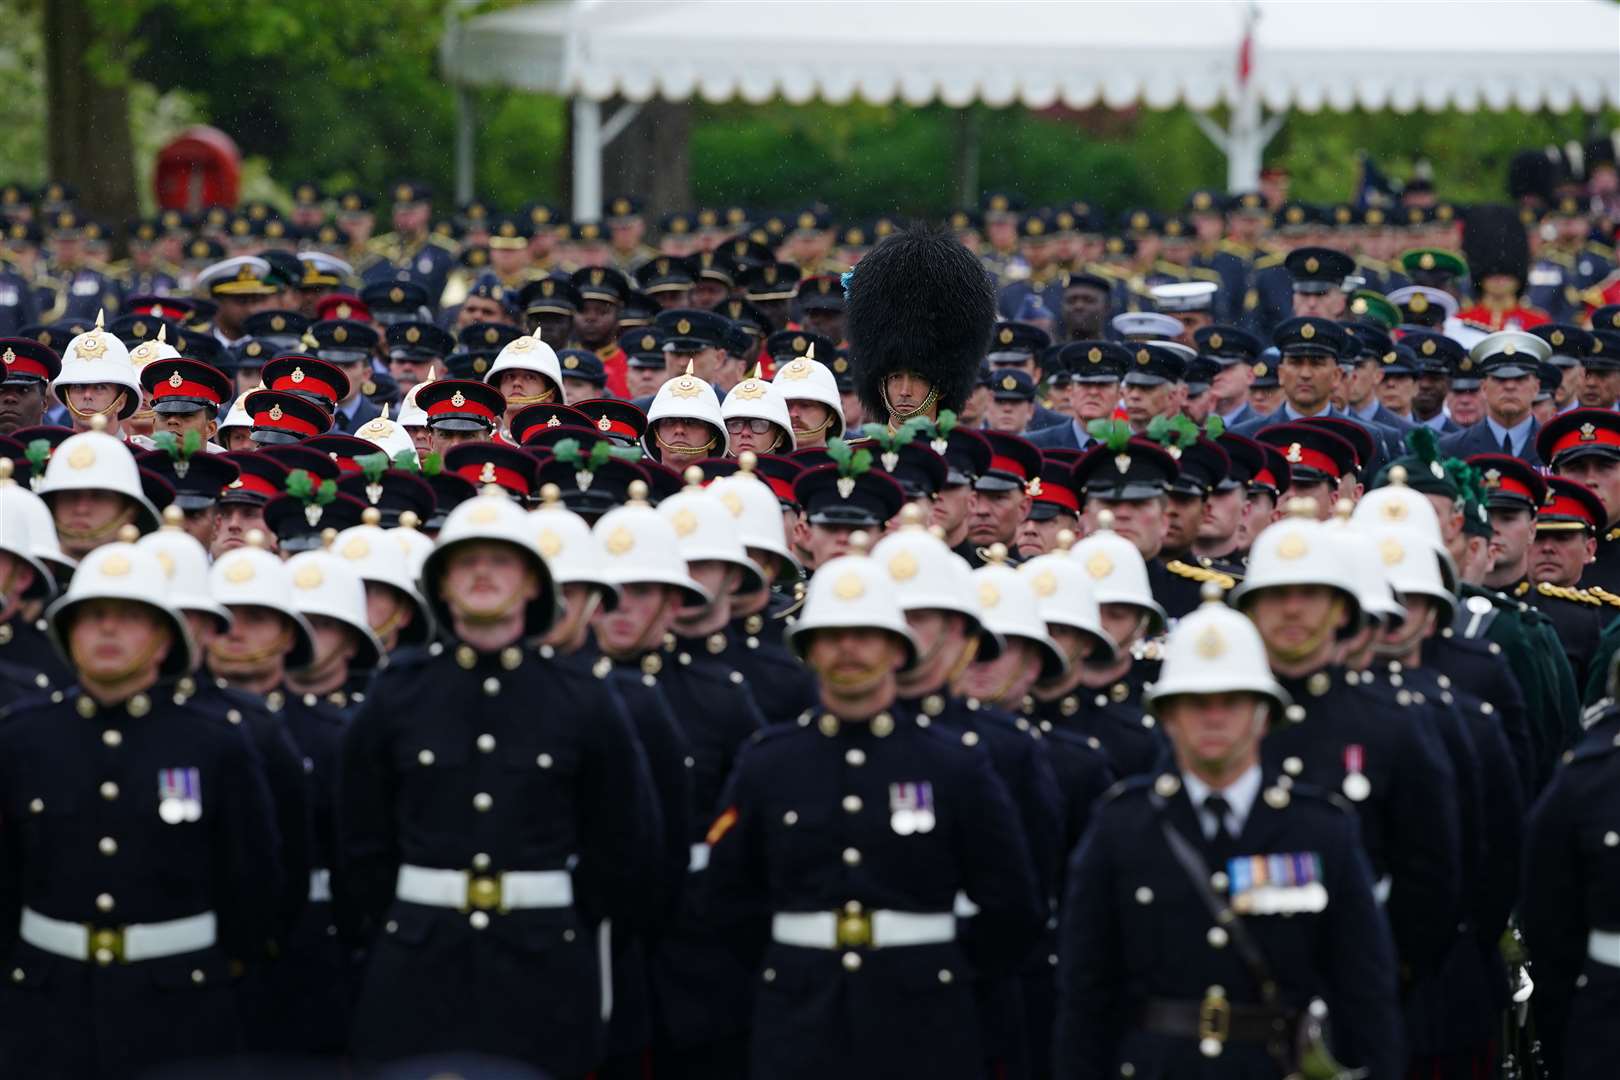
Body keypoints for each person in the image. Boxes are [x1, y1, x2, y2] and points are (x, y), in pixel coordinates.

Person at [338, 487, 659, 1074]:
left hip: (543, 960)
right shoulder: (399, 690)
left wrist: (566, 918)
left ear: (534, 584)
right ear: (441, 584)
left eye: (502, 560)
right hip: (417, 958)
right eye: (466, 561)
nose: (483, 573)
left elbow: (622, 841)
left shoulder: (582, 697)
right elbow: (361, 834)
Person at [703, 539, 1044, 1080]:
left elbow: (1012, 908)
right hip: (798, 1018)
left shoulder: (953, 765)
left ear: (897, 650)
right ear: (809, 651)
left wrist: (942, 972)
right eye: (832, 637)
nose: (849, 651)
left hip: (925, 1024)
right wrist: (787, 969)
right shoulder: (769, 761)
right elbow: (727, 900)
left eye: (866, 636)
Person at [1052, 595, 1401, 1078]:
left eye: (1232, 702)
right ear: (1168, 717)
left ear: (1263, 714)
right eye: (1195, 704)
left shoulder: (1320, 829)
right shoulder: (1122, 825)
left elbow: (1365, 991)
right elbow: (1085, 994)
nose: (1213, 717)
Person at [0, 538, 282, 1077]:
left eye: (130, 618)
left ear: (162, 640)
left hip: (180, 1007)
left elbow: (253, 879)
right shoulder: (21, 736)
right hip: (45, 1005)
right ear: (67, 635)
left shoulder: (215, 742)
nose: (108, 630)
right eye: (93, 617)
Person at [847, 227, 996, 433]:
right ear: (881, 385)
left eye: (918, 377)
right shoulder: (856, 456)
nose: (905, 392)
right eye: (895, 377)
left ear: (942, 387)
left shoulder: (963, 457)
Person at [1438, 330, 1552, 463]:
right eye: (1500, 378)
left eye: (1520, 378)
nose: (1510, 386)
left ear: (1536, 387)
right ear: (1484, 387)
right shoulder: (1451, 449)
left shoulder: (1554, 446)